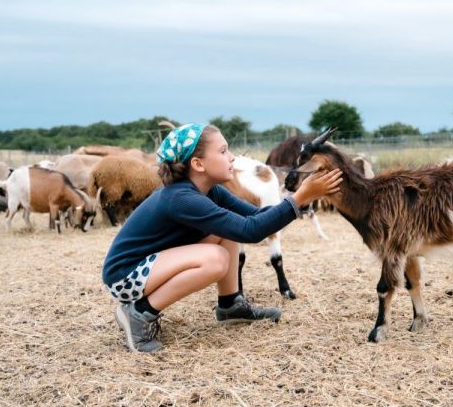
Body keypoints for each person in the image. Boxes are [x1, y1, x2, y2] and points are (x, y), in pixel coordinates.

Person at [101, 123, 342, 352]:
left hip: (153, 264)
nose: (232, 157)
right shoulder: (182, 198)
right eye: (223, 151)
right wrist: (299, 198)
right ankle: (137, 314)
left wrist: (300, 200)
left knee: (225, 229)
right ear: (198, 164)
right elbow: (251, 231)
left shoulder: (210, 191)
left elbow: (256, 217)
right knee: (215, 259)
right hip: (126, 276)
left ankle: (230, 305)